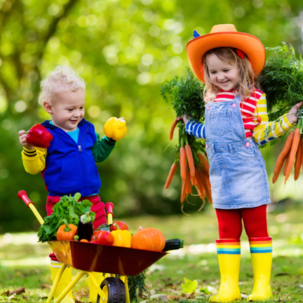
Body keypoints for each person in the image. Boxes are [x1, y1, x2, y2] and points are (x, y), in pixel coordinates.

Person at [182, 24, 302, 302]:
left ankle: (262, 285)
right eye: (213, 71)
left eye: (226, 69)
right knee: (227, 231)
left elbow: (260, 133)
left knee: (257, 229)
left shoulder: (254, 99)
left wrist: (287, 121)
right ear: (207, 74)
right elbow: (209, 134)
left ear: (241, 67)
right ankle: (229, 286)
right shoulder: (209, 100)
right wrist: (189, 124)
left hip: (247, 172)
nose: (220, 76)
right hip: (222, 177)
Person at [18, 66, 127, 303]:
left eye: (81, 107)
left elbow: (97, 154)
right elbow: (34, 168)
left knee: (100, 245)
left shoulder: (87, 130)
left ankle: (98, 294)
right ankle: (63, 295)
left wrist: (110, 139)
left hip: (93, 201)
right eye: (70, 109)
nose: (77, 113)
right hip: (61, 204)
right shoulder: (44, 135)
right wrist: (28, 148)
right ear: (49, 107)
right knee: (63, 251)